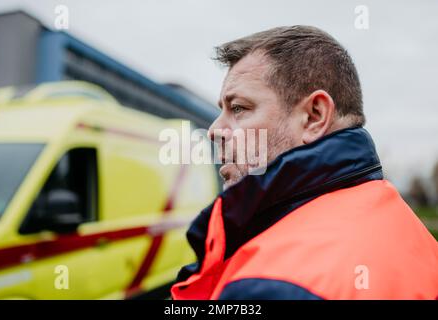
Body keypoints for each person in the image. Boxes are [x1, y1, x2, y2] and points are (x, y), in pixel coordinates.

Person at [171, 26, 438, 300]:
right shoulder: (413, 236)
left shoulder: (272, 284)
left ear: (314, 116)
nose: (214, 130)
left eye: (238, 108)